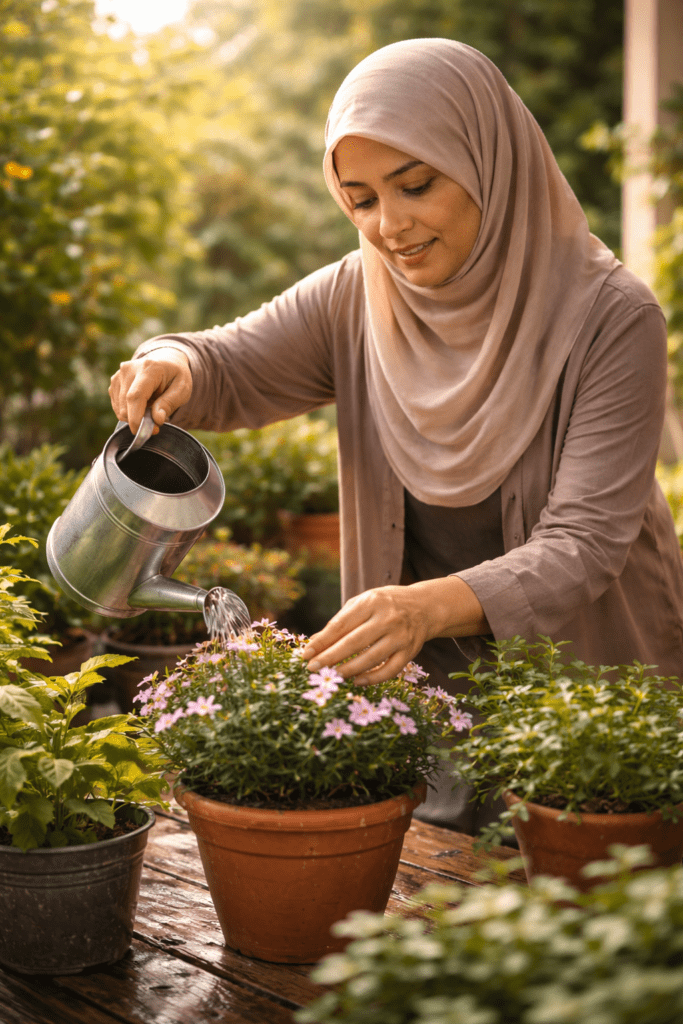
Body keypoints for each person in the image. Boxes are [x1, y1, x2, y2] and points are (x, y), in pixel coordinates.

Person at [109, 38, 683, 834]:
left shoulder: (611, 317)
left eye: (415, 185)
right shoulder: (359, 296)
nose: (389, 225)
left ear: (489, 163)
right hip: (428, 699)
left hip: (584, 693)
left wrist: (419, 609)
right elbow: (228, 361)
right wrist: (168, 361)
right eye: (361, 199)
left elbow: (584, 542)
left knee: (583, 914)